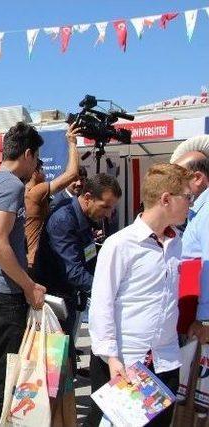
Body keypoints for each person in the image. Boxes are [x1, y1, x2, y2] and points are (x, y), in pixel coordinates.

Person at [87, 163, 194, 427]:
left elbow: (188, 291)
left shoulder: (180, 243)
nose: (191, 204)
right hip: (126, 362)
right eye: (187, 197)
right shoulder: (120, 245)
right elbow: (102, 305)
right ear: (166, 199)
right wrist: (112, 358)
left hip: (165, 360)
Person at [0, 122, 46, 426]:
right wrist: (28, 285)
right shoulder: (11, 185)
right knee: (1, 375)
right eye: (37, 158)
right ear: (27, 153)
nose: (36, 165)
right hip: (2, 294)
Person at [35, 174, 122, 374]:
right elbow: (73, 271)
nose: (109, 214)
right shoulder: (63, 220)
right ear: (88, 197)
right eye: (105, 206)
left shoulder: (83, 217)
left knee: (64, 365)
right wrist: (109, 291)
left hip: (70, 298)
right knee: (54, 368)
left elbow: (88, 257)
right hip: (54, 303)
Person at [24, 123, 80, 272]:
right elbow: (72, 174)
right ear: (35, 172)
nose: (45, 174)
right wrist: (72, 143)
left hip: (29, 259)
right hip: (36, 261)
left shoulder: (24, 191)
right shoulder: (36, 192)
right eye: (42, 169)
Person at [175, 152, 209, 343]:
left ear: (197, 178)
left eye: (179, 177)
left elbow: (208, 265)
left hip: (197, 315)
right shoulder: (197, 210)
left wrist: (204, 319)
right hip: (189, 309)